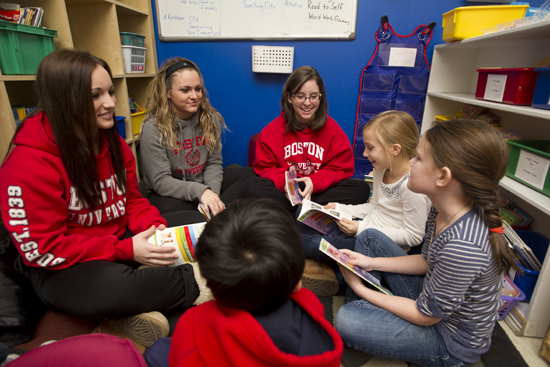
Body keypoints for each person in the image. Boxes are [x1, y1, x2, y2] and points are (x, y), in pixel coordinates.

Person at [0, 50, 205, 348]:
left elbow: (133, 200)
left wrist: (155, 228)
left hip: (118, 240)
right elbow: (44, 249)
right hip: (67, 265)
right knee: (126, 285)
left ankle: (140, 315)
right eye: (96, 95)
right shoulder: (26, 165)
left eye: (109, 92)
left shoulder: (112, 142)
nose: (110, 103)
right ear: (63, 99)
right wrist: (125, 250)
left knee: (200, 223)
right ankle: (194, 283)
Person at [334, 120, 522, 367]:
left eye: (419, 159)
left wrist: (360, 289)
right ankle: (372, 313)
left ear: (443, 177)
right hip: (433, 302)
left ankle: (365, 313)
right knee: (369, 238)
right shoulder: (441, 208)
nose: (410, 162)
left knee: (347, 319)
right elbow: (426, 260)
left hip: (447, 340)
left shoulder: (463, 245)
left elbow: (426, 316)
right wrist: (370, 262)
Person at [146, 199, 344, 367]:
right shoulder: (311, 307)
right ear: (297, 283)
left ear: (208, 281)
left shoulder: (192, 324)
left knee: (156, 352)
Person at [299, 111, 431, 296]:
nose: (364, 153)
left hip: (378, 245)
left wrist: (360, 229)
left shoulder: (411, 186)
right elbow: (373, 207)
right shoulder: (381, 171)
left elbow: (413, 237)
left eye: (370, 148)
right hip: (363, 227)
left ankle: (320, 265)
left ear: (395, 149)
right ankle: (326, 268)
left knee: (312, 243)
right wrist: (338, 207)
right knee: (302, 214)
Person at [233, 66, 370, 212]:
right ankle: (310, 210)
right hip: (286, 191)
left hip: (318, 190)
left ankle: (299, 210)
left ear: (320, 97)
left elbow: (340, 169)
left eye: (313, 96)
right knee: (252, 185)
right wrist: (288, 183)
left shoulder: (333, 131)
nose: (307, 102)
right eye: (300, 96)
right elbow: (266, 168)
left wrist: (314, 183)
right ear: (289, 98)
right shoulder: (271, 133)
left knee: (361, 189)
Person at [140, 57, 227, 216]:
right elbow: (160, 181)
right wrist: (200, 192)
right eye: (185, 90)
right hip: (169, 195)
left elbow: (213, 163)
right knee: (185, 214)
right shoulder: (152, 127)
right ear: (168, 93)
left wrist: (212, 195)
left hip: (203, 187)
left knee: (248, 180)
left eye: (198, 89)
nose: (194, 96)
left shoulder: (210, 118)